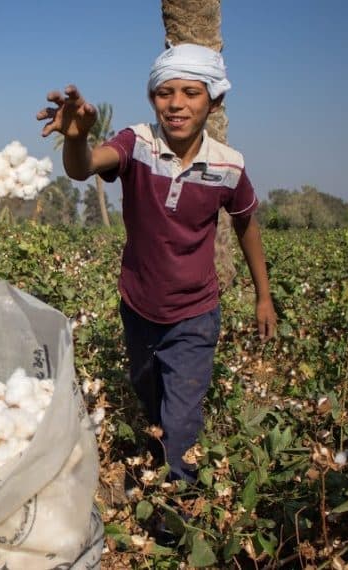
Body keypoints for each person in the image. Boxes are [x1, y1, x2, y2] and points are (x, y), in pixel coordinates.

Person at [36, 43, 277, 482]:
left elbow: (247, 226)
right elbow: (84, 166)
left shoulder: (229, 167)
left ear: (214, 100)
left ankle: (177, 513)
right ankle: (153, 464)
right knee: (150, 398)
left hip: (195, 313)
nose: (177, 104)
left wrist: (264, 296)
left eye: (191, 92)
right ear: (153, 98)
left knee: (183, 418)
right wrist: (76, 137)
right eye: (165, 93)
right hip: (140, 307)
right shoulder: (136, 143)